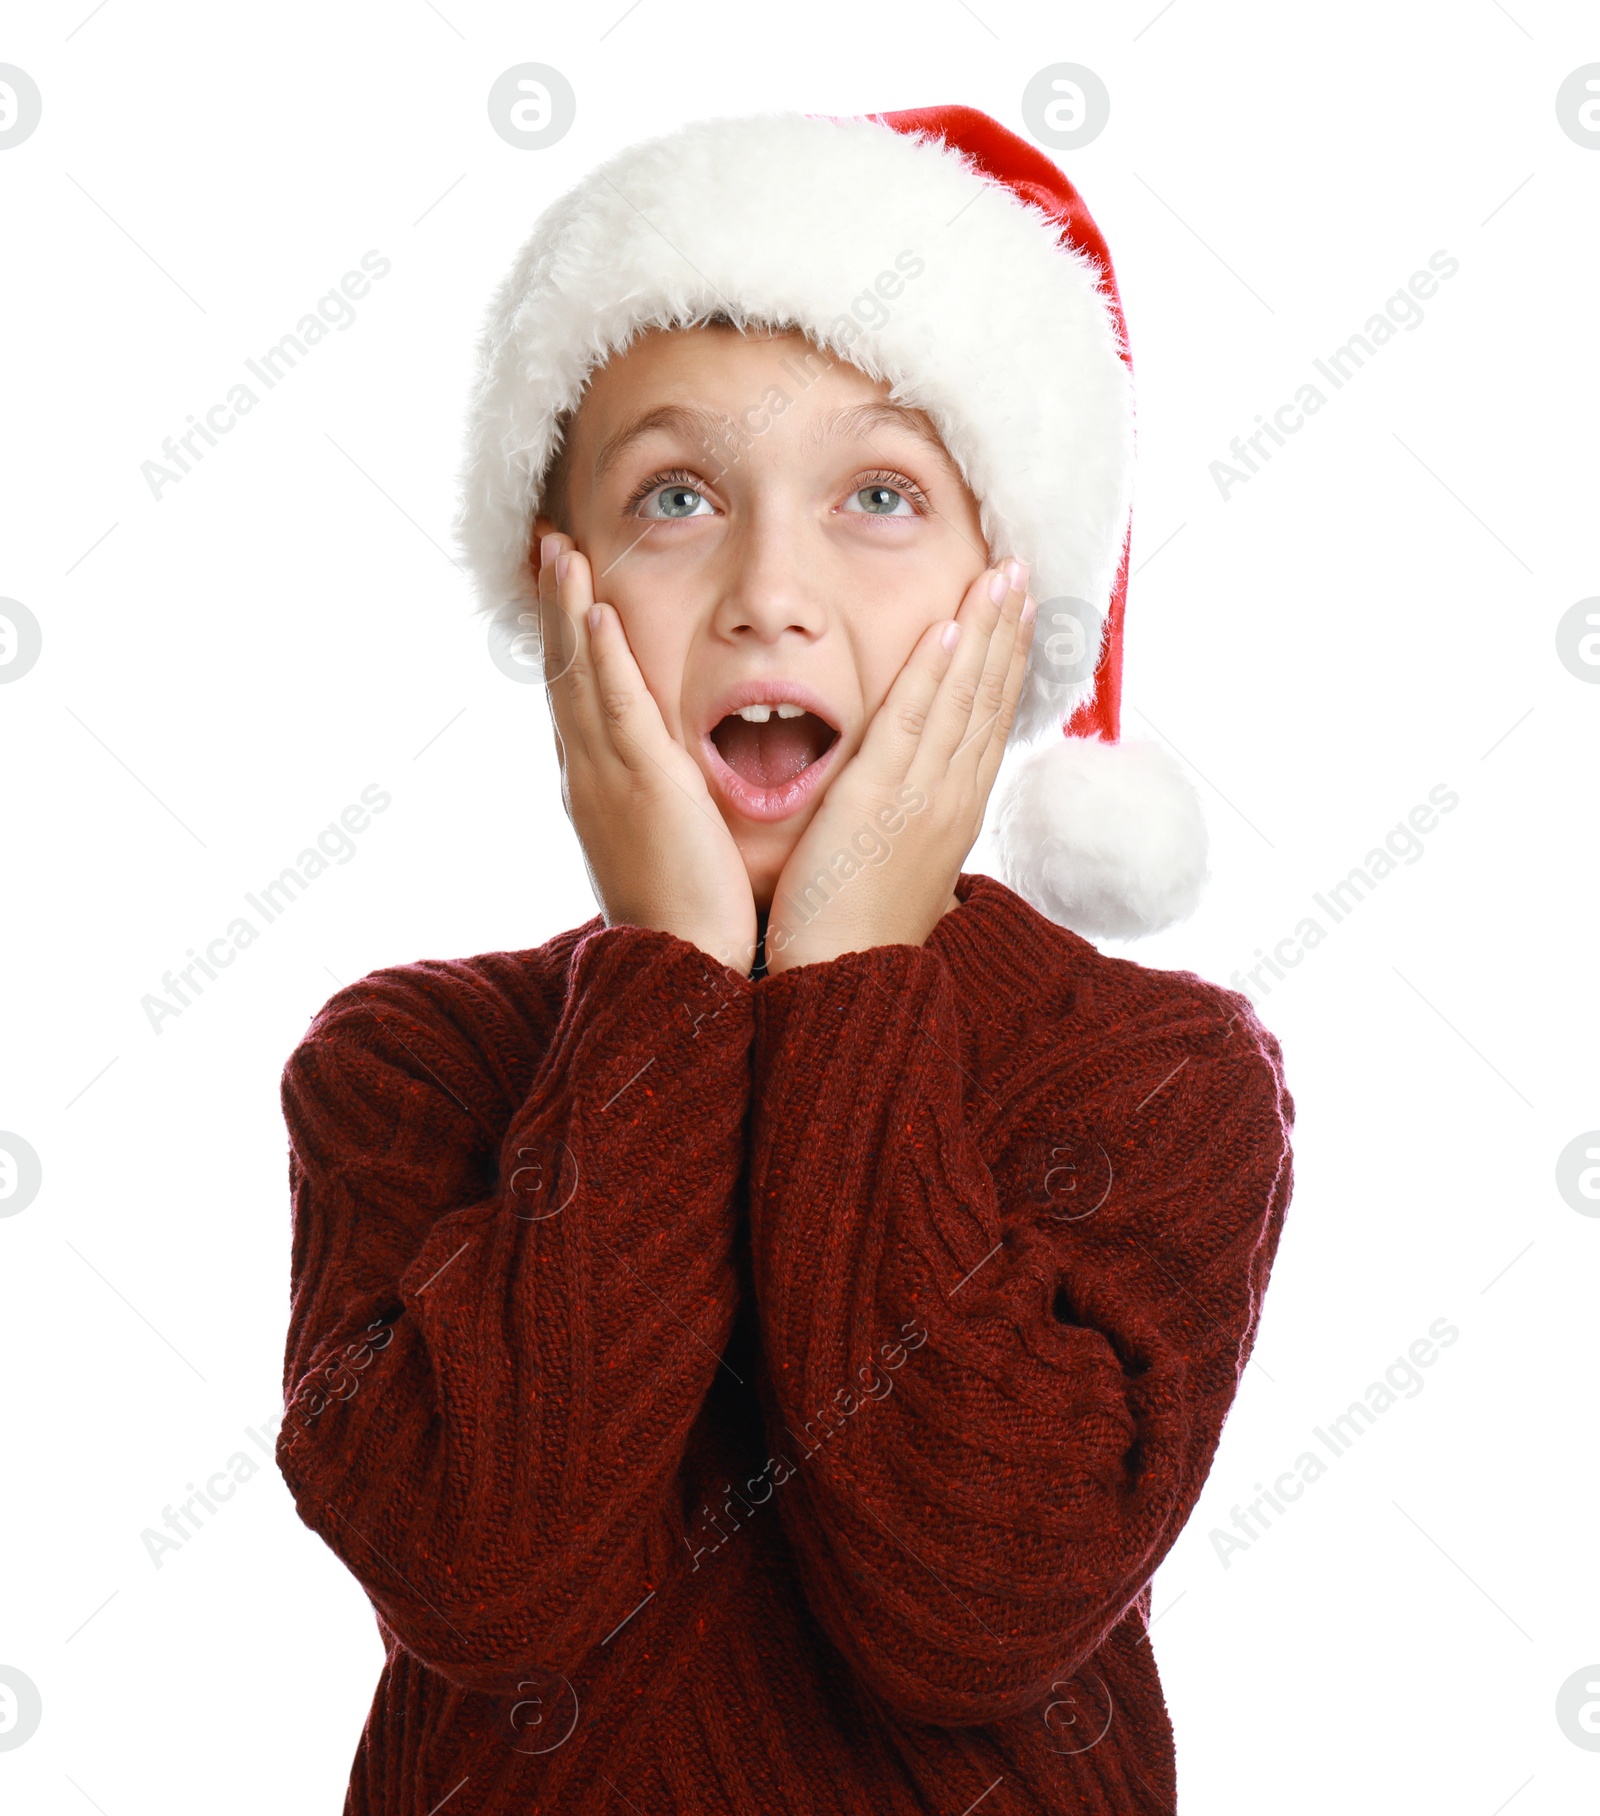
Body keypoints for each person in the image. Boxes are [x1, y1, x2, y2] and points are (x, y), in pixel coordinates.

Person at [275, 104, 1295, 1814]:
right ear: (560, 586)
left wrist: (844, 981)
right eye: (677, 495)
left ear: (1009, 591)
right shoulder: (411, 1065)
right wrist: (672, 977)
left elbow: (973, 1615)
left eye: (881, 495)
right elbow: (484, 1577)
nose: (769, 591)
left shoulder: (1163, 1079)